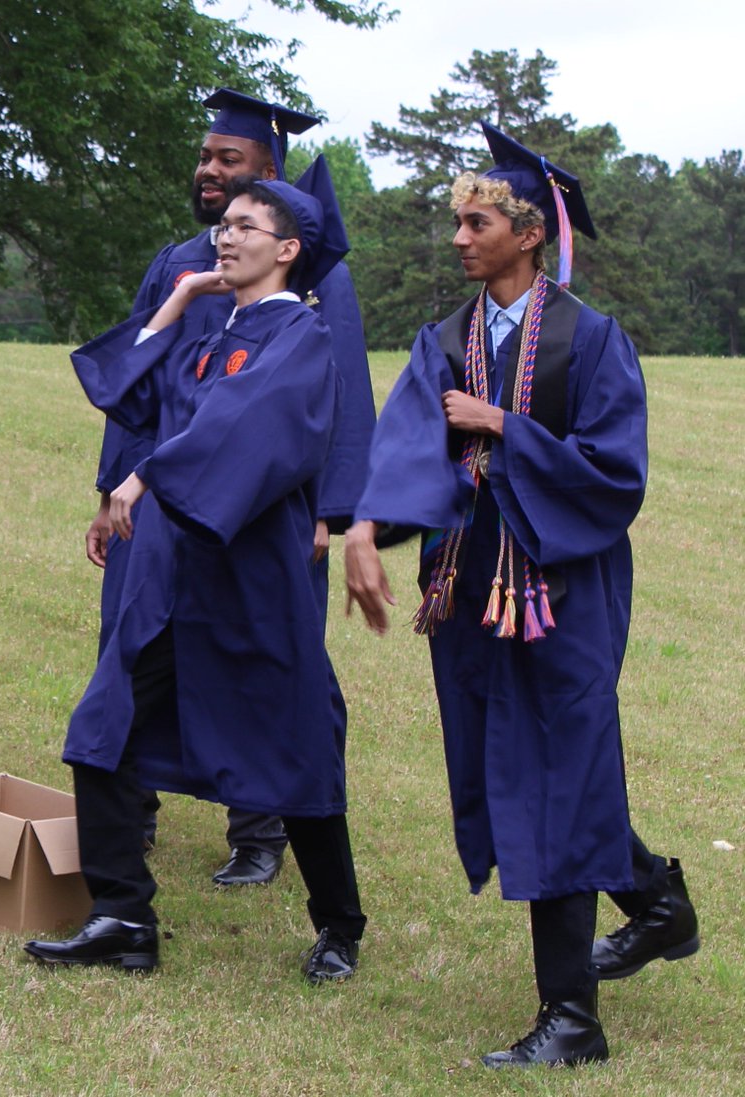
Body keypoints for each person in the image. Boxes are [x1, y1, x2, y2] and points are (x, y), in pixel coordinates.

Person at [344, 123, 698, 1067]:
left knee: (555, 774)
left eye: (476, 221)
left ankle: (572, 1021)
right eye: (456, 221)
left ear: (527, 233)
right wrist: (368, 528)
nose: (458, 237)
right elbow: (413, 449)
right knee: (531, 772)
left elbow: (616, 475)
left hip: (562, 595)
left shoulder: (591, 340)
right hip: (468, 591)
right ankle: (656, 902)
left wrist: (505, 426)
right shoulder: (446, 339)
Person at [25, 161, 367, 982]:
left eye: (248, 225)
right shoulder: (210, 335)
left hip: (252, 582)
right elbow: (128, 396)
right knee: (102, 731)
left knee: (296, 752)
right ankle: (121, 916)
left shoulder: (303, 340)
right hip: (173, 578)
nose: (227, 233)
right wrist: (175, 304)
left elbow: (241, 431)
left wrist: (144, 479)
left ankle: (340, 926)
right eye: (227, 224)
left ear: (288, 248)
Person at [85, 88, 376, 886]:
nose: (209, 173)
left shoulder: (314, 280)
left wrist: (334, 509)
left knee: (260, 658)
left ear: (270, 177)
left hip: (259, 508)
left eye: (229, 162)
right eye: (206, 158)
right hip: (156, 507)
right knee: (136, 649)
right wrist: (114, 487)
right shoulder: (184, 264)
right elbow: (135, 394)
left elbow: (340, 392)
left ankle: (259, 828)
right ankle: (129, 808)